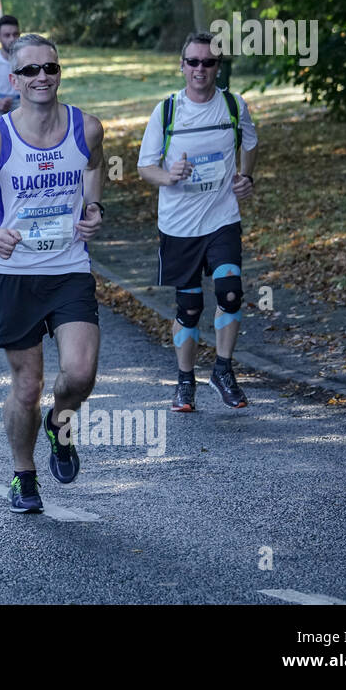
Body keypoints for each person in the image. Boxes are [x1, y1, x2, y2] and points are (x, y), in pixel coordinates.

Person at [0, 33, 105, 513]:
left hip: (69, 268)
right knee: (27, 386)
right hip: (15, 273)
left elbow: (93, 168)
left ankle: (59, 427)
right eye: (31, 70)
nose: (42, 77)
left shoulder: (88, 128)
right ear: (14, 79)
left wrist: (94, 205)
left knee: (80, 375)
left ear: (60, 72)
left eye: (51, 68)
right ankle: (24, 476)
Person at [137, 31, 258, 412]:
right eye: (193, 62)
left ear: (217, 67)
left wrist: (245, 177)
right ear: (182, 65)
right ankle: (185, 380)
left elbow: (250, 143)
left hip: (222, 218)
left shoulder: (234, 106)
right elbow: (144, 167)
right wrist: (168, 175)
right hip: (179, 226)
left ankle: (223, 369)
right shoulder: (167, 111)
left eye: (208, 62)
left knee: (231, 292)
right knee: (189, 308)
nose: (200, 69)